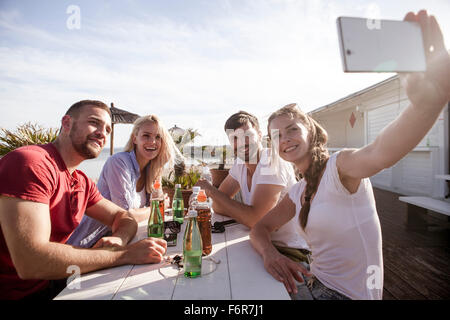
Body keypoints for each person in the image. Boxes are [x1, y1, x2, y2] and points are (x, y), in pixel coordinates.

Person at [250, 10, 450, 300]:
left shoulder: (340, 167)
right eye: (277, 136)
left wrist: (427, 105)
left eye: (292, 129)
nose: (286, 139)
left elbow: (381, 152)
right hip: (314, 283)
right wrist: (270, 255)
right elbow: (260, 228)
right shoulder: (298, 191)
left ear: (310, 131)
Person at [0, 100, 167, 300]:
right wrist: (125, 254)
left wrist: (118, 239)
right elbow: (30, 262)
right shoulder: (32, 163)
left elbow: (123, 216)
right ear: (67, 123)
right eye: (94, 122)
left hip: (56, 281)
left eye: (107, 129)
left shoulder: (81, 181)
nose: (102, 133)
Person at [196, 111, 310, 265]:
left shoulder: (270, 161)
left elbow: (256, 220)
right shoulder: (240, 163)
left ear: (260, 135)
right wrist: (244, 214)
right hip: (259, 243)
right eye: (235, 138)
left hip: (289, 252)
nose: (242, 143)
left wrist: (211, 191)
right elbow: (218, 206)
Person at [67, 115, 179, 248]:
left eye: (158, 137)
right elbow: (126, 216)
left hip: (120, 241)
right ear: (135, 139)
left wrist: (157, 207)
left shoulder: (153, 169)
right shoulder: (119, 162)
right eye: (146, 136)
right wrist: (158, 207)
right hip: (85, 243)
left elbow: (154, 211)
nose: (153, 141)